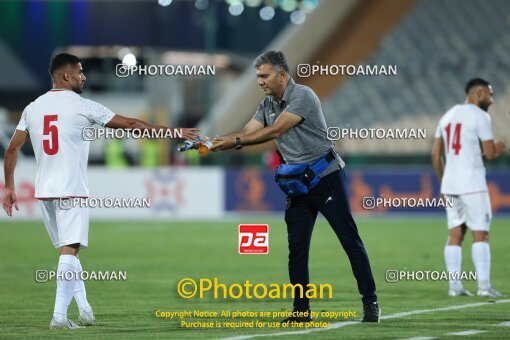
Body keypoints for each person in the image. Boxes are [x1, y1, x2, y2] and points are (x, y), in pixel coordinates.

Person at [2, 53, 198, 329]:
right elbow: (132, 126)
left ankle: (84, 309)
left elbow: (12, 148)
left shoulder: (32, 108)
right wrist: (174, 132)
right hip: (71, 190)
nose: (84, 76)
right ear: (66, 76)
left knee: (68, 252)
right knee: (69, 252)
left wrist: (9, 186)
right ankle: (59, 316)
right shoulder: (82, 106)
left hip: (45, 191)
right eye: (80, 71)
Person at [211, 50, 380, 322]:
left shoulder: (303, 96)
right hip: (297, 184)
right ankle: (301, 312)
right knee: (297, 249)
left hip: (325, 178)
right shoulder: (266, 105)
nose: (260, 81)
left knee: (349, 240)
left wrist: (234, 143)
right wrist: (214, 141)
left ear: (282, 75)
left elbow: (275, 131)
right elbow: (246, 132)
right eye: (258, 76)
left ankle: (370, 301)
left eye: (264, 76)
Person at [432, 78, 506, 298]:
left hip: (451, 185)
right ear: (480, 92)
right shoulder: (481, 116)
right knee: (480, 235)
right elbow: (490, 153)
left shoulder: (448, 115)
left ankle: (455, 287)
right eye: (490, 95)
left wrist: (443, 182)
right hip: (473, 184)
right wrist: (502, 146)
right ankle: (484, 287)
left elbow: (436, 155)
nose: (492, 101)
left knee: (455, 234)